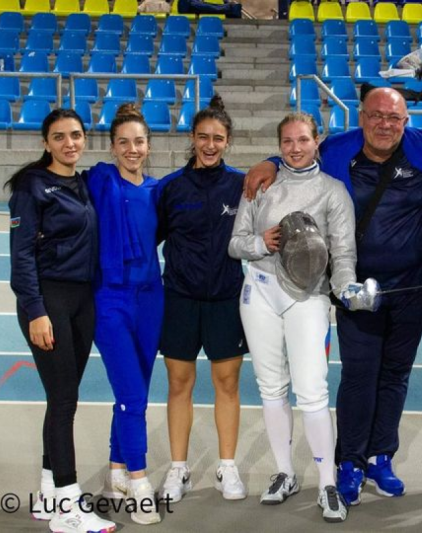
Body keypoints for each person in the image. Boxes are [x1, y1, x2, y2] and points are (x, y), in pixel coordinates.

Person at [245, 86, 422, 506]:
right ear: (361, 117)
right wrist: (271, 162)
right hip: (355, 286)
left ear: (406, 122)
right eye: (376, 116)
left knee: (395, 375)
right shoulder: (340, 149)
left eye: (394, 118)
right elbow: (300, 151)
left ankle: (381, 457)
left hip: (410, 287)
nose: (385, 125)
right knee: (358, 375)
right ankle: (350, 462)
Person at [230, 112, 378, 522]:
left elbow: (343, 254)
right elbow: (235, 244)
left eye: (303, 140)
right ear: (279, 146)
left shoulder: (333, 191)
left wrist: (346, 288)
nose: (295, 148)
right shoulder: (260, 184)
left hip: (308, 296)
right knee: (271, 388)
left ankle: (327, 483)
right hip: (259, 293)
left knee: (312, 391)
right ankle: (285, 473)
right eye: (287, 142)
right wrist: (261, 243)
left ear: (317, 142)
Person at [8, 109, 116, 533]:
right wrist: (36, 310)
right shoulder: (32, 187)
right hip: (48, 299)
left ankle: (49, 493)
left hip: (82, 299)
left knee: (61, 398)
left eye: (75, 135)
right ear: (45, 143)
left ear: (84, 138)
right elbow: (21, 256)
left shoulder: (84, 183)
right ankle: (69, 507)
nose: (69, 143)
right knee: (65, 401)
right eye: (59, 137)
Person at [156, 95, 249, 503]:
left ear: (228, 142)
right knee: (179, 383)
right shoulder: (171, 189)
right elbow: (148, 240)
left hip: (225, 299)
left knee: (227, 383)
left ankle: (227, 466)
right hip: (179, 299)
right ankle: (179, 468)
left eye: (218, 138)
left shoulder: (242, 186)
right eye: (203, 137)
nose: (210, 145)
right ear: (192, 138)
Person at [87, 104, 162, 525]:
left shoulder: (157, 191)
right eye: (124, 142)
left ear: (148, 146)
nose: (132, 149)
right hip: (110, 300)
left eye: (139, 142)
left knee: (135, 393)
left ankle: (116, 470)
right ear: (112, 147)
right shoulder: (100, 182)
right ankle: (139, 482)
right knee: (133, 396)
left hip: (151, 300)